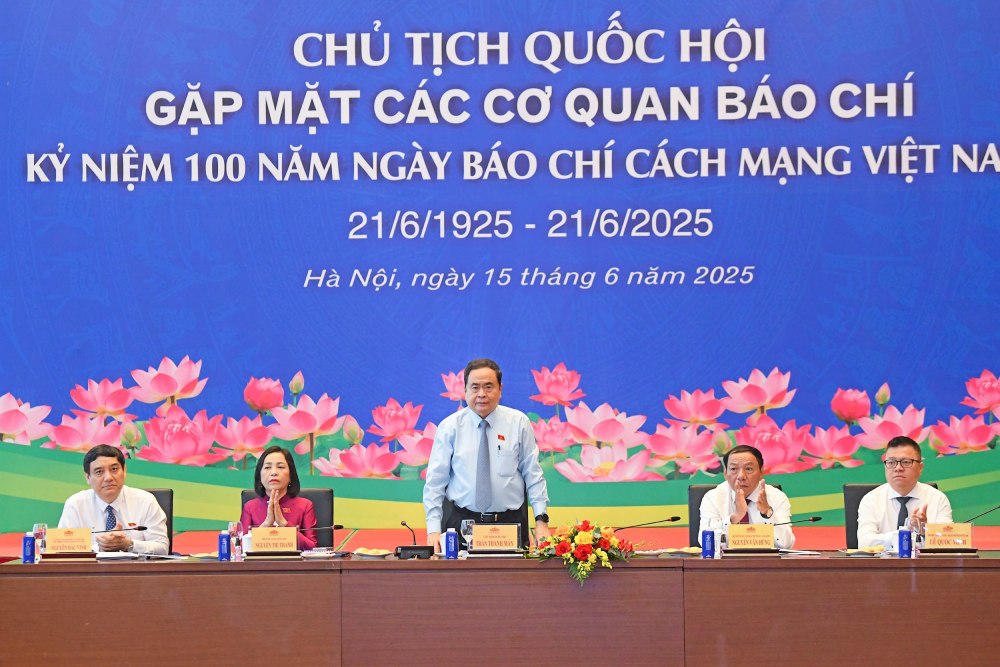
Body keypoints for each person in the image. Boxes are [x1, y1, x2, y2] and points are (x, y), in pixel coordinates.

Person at [423, 358, 551, 551]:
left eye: (488, 386)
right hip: (461, 525)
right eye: (475, 387)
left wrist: (541, 522)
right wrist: (433, 530)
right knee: (460, 582)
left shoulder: (518, 423)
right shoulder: (450, 428)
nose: (481, 394)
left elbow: (533, 475)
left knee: (514, 580)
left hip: (509, 525)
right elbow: (435, 483)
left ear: (500, 389)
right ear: (465, 390)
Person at [58, 444, 169, 555]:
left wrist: (128, 544)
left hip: (135, 570)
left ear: (124, 470)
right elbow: (63, 550)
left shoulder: (145, 501)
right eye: (99, 472)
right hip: (91, 571)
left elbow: (162, 548)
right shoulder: (75, 505)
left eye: (114, 469)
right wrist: (100, 548)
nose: (108, 478)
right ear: (88, 477)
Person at [857, 435, 952, 549]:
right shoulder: (871, 500)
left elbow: (948, 543)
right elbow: (864, 542)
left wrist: (925, 532)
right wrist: (905, 534)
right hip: (882, 565)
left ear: (920, 467)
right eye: (891, 462)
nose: (898, 468)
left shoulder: (937, 499)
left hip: (925, 566)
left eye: (906, 462)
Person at [698, 444, 796, 549]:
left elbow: (786, 544)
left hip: (765, 563)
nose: (741, 476)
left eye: (749, 469)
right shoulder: (713, 498)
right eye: (734, 469)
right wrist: (734, 517)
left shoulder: (776, 497)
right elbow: (705, 543)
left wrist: (768, 513)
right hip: (726, 564)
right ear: (725, 474)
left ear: (761, 472)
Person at [240, 445, 318, 550]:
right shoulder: (250, 507)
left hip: (295, 565)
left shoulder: (305, 506)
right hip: (259, 566)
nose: (274, 472)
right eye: (267, 467)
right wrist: (266, 524)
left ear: (291, 475)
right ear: (260, 476)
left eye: (280, 467)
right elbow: (241, 549)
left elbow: (312, 548)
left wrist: (284, 524)